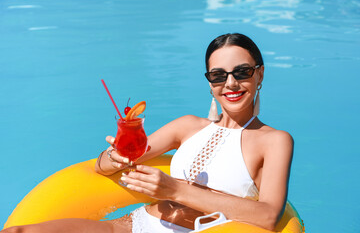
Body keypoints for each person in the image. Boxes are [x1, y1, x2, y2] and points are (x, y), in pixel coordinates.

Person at [2, 33, 293, 233]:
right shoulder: (187, 126)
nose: (230, 83)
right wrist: (112, 157)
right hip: (136, 226)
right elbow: (105, 165)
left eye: (241, 72)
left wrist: (174, 189)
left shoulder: (274, 141)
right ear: (209, 83)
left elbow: (268, 216)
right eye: (218, 75)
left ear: (260, 74)